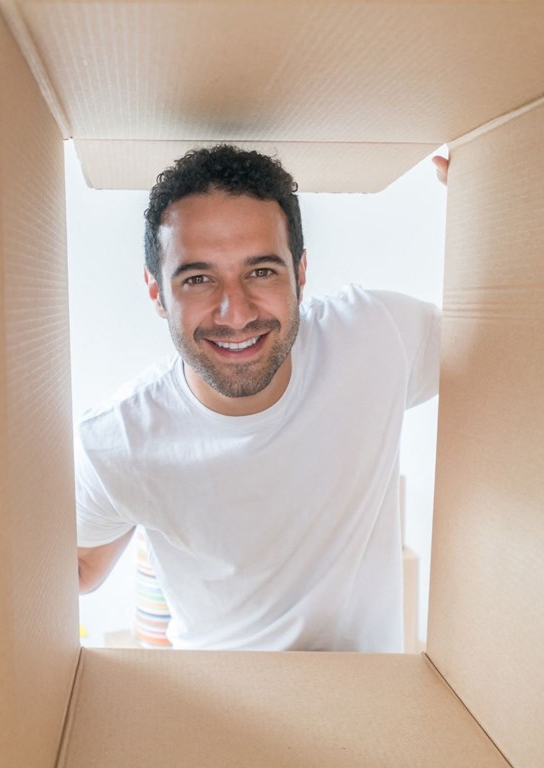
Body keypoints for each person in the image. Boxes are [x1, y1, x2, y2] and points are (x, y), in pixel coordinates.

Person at [75, 145, 446, 652]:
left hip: (366, 700)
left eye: (262, 272)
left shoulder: (375, 338)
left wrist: (497, 201)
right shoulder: (119, 439)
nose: (235, 312)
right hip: (217, 704)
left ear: (301, 273)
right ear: (156, 292)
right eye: (199, 278)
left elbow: (525, 343)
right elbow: (77, 570)